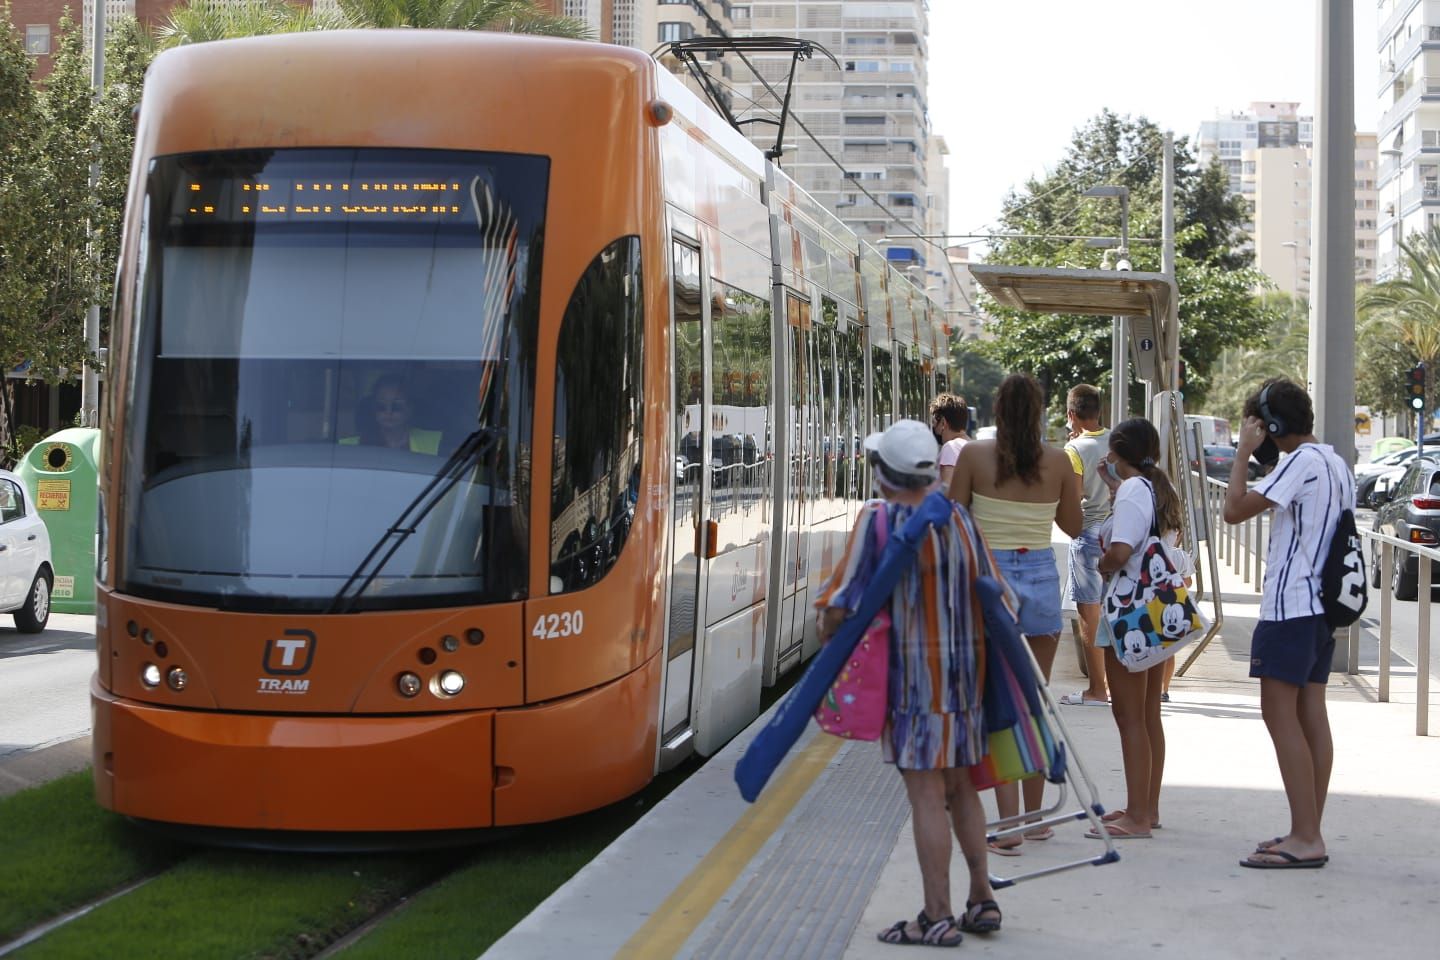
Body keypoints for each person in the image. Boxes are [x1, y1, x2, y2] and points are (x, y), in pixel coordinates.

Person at [816, 420, 1004, 946]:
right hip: (968, 678)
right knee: (963, 786)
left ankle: (936, 915)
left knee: (925, 793)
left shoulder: (878, 520)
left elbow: (841, 600)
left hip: (912, 684)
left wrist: (829, 634)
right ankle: (982, 898)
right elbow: (997, 595)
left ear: (882, 473)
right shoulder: (960, 518)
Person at [948, 373, 1082, 854]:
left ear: (998, 410)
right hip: (1042, 576)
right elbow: (1073, 524)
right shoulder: (1058, 459)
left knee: (997, 702)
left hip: (990, 582)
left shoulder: (973, 456)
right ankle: (1036, 817)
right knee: (1034, 699)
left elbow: (951, 515)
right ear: (1042, 412)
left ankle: (1009, 826)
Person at [1223, 379, 1347, 870]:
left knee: (1281, 716)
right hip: (1321, 609)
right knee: (1311, 714)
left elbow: (1233, 511)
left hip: (1290, 605)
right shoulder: (1335, 461)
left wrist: (1241, 455)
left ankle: (1306, 836)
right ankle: (1308, 827)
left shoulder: (1299, 463)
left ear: (1271, 425)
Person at [1088, 418, 1182, 840]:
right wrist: (1113, 484)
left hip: (1127, 614)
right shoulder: (1147, 487)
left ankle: (1137, 818)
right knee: (1147, 715)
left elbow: (1123, 548)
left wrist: (1102, 563)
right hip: (1151, 612)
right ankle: (1147, 806)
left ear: (1117, 451)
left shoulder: (1131, 491)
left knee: (1127, 716)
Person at [1059, 384, 1112, 708]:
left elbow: (1074, 496)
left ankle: (1097, 689)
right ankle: (1121, 684)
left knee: (1089, 615)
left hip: (1089, 534)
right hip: (1119, 535)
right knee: (1116, 609)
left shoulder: (1074, 449)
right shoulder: (1118, 441)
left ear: (1071, 415)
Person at [342, 376, 442, 454]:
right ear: (373, 409)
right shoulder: (348, 447)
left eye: (396, 406)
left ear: (410, 409)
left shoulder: (437, 442)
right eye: (381, 406)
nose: (388, 412)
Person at [930, 392, 972, 488]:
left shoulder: (951, 448)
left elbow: (948, 493)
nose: (933, 428)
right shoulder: (970, 444)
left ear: (943, 423)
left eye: (934, 422)